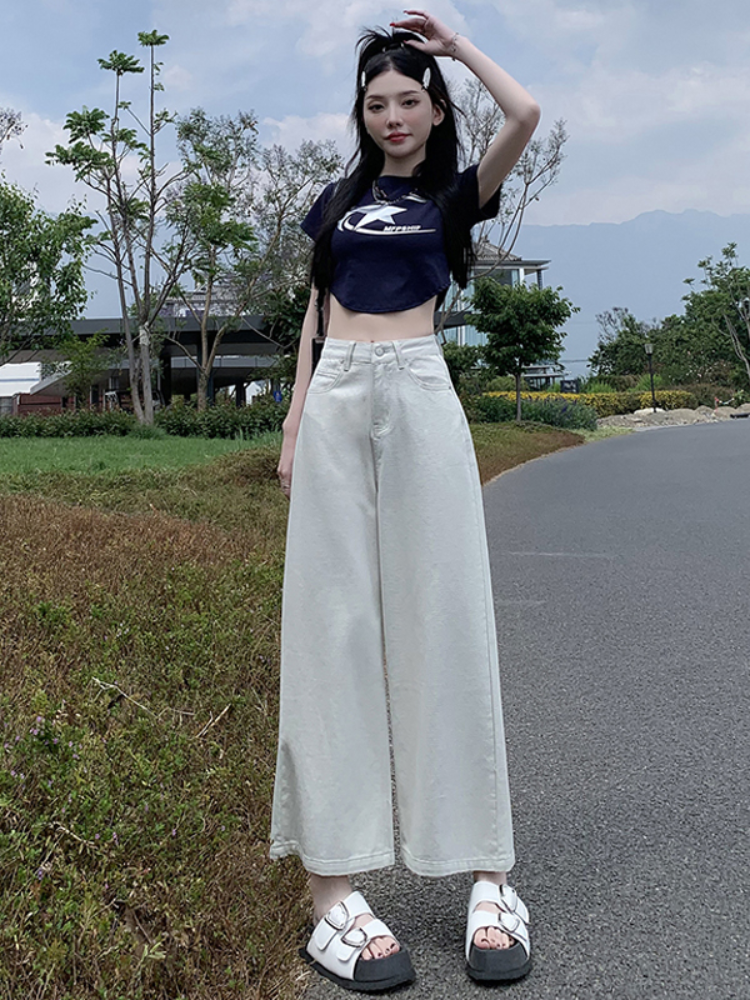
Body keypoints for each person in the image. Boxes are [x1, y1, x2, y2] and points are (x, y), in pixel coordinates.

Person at [270, 9, 541, 992]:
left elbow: (526, 113)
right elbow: (317, 307)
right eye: (376, 103)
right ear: (363, 114)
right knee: (329, 628)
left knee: (448, 619)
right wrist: (296, 419)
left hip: (421, 388)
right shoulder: (338, 200)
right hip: (337, 394)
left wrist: (456, 48)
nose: (392, 116)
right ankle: (332, 892)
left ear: (433, 112)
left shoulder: (456, 195)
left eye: (408, 101)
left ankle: (488, 874)